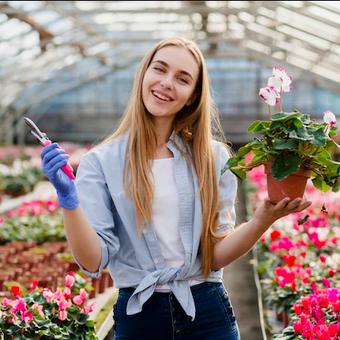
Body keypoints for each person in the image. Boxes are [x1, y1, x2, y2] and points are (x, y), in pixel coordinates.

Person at [40, 37, 311, 340]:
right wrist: (69, 200)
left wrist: (263, 219)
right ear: (144, 74)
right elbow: (93, 261)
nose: (167, 82)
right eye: (160, 69)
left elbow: (215, 257)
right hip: (138, 317)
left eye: (182, 79)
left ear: (193, 96)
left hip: (208, 315)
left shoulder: (213, 157)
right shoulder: (101, 163)